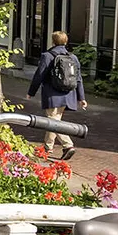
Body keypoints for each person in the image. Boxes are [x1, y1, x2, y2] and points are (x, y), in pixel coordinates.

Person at [27, 30, 87, 159]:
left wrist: (31, 92)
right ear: (66, 42)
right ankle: (48, 148)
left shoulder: (47, 56)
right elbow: (78, 78)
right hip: (68, 94)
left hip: (53, 94)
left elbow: (39, 76)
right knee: (54, 120)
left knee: (53, 121)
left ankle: (68, 145)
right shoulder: (73, 57)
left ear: (53, 41)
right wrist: (81, 97)